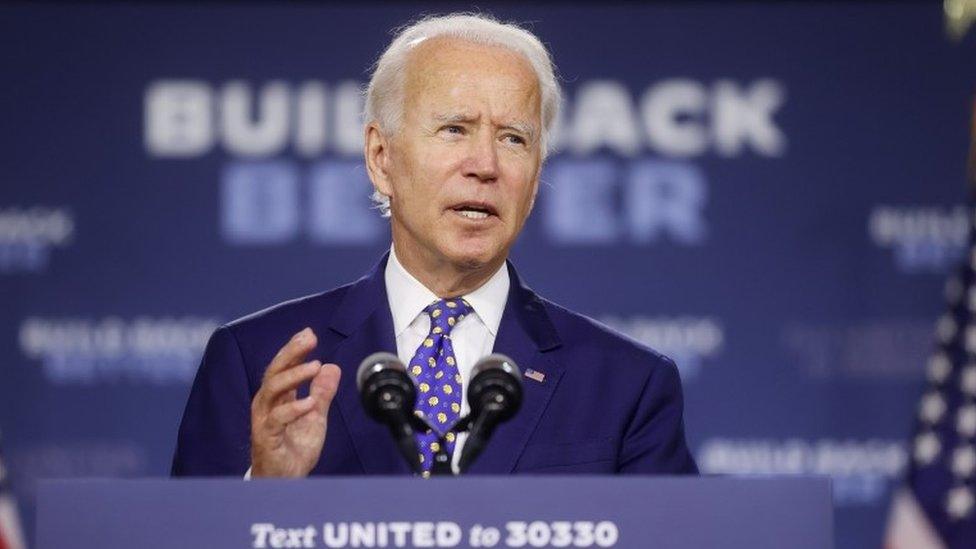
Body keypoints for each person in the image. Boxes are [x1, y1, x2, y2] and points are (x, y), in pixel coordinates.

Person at [172, 13, 698, 478]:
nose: (485, 165)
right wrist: (262, 497)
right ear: (381, 157)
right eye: (454, 129)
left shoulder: (627, 384)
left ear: (535, 179)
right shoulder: (255, 362)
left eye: (513, 138)